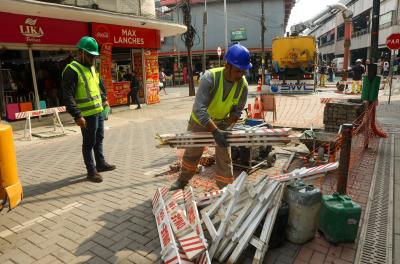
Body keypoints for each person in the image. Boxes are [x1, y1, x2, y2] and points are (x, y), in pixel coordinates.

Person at [169, 43, 251, 191]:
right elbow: (199, 110)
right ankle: (182, 180)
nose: (241, 75)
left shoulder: (242, 85)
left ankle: (226, 189)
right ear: (228, 65)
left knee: (224, 155)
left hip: (221, 122)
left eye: (243, 71)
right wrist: (214, 131)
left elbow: (236, 112)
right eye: (238, 71)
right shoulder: (210, 77)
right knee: (193, 152)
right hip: (199, 121)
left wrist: (226, 127)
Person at [62, 36, 116, 183]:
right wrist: (77, 115)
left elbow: (99, 83)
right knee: (88, 143)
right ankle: (91, 171)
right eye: (91, 55)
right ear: (81, 53)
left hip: (98, 111)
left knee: (99, 139)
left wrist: (104, 98)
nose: (93, 58)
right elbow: (67, 96)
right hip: (86, 115)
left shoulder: (91, 67)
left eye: (94, 56)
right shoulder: (71, 70)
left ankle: (101, 164)